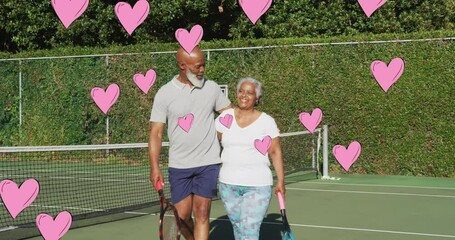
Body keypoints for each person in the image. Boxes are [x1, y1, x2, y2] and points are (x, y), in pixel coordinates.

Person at [148, 47, 232, 240]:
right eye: (198, 66)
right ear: (182, 65)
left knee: (202, 212)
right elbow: (156, 133)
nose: (202, 69)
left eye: (204, 65)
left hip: (208, 163)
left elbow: (229, 115)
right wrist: (154, 168)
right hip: (179, 166)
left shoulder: (212, 88)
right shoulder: (165, 93)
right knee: (183, 216)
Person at [215, 77, 285, 240]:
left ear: (257, 98)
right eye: (241, 91)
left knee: (249, 231)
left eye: (249, 93)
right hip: (228, 185)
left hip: (258, 186)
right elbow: (214, 143)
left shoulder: (267, 122)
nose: (244, 95)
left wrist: (281, 180)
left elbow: (275, 152)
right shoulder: (226, 117)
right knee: (238, 229)